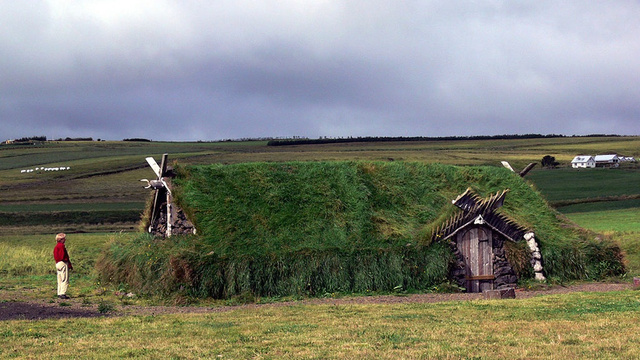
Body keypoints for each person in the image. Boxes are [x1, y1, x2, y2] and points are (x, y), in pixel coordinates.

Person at [53, 233, 73, 299]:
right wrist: (68, 262)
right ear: (61, 239)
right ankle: (63, 293)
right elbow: (63, 256)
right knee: (64, 278)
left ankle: (59, 293)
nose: (65, 239)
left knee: (59, 279)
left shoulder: (56, 246)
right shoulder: (61, 246)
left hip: (57, 263)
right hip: (63, 263)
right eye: (64, 238)